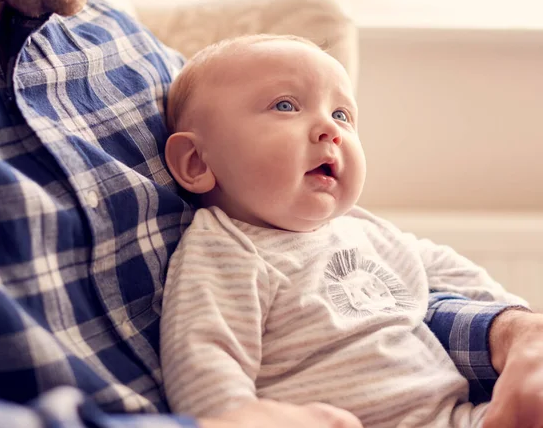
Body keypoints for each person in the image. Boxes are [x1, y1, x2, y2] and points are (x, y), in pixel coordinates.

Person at [0, 0, 541, 427]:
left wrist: (505, 334)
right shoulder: (219, 248)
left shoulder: (126, 51)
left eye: (341, 115)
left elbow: (350, 282)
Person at [159, 34, 526, 428]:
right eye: (285, 105)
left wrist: (523, 326)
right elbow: (201, 350)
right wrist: (235, 413)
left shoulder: (361, 229)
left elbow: (452, 273)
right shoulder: (226, 246)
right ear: (197, 162)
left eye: (342, 115)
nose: (328, 129)